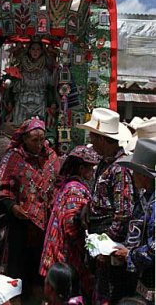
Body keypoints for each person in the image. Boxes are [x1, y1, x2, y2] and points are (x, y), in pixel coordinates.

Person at [0, 118, 60, 296]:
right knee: (17, 267)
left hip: (44, 226)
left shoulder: (51, 157)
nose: (39, 144)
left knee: (39, 267)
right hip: (19, 224)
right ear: (24, 139)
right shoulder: (13, 157)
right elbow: (2, 188)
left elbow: (57, 183)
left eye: (41, 139)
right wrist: (13, 207)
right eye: (34, 140)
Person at [78, 108, 135, 304]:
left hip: (108, 239)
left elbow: (123, 212)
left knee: (108, 293)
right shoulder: (105, 164)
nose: (91, 141)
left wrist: (106, 245)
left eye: (93, 137)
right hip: (98, 234)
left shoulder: (120, 168)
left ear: (102, 139)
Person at [40, 145, 100, 301]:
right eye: (90, 168)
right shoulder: (75, 190)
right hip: (66, 253)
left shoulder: (68, 186)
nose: (92, 172)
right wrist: (87, 249)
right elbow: (71, 225)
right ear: (81, 168)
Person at [113, 139, 155, 304]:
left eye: (135, 171)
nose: (132, 175)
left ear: (144, 175)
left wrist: (130, 254)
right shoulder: (147, 197)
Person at [1, 40, 57, 126]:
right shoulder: (21, 70)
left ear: (41, 51)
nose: (35, 52)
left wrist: (57, 69)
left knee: (37, 130)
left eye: (38, 49)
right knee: (19, 129)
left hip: (39, 104)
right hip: (22, 104)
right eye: (33, 49)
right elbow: (12, 85)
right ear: (29, 51)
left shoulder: (45, 72)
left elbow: (52, 85)